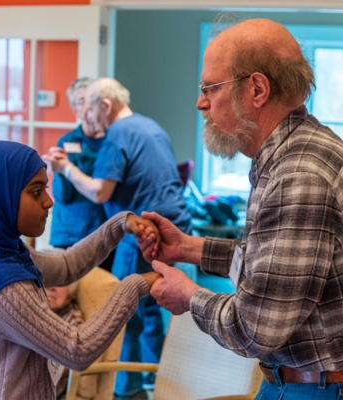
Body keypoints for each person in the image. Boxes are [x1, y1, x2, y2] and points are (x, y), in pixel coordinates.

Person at [138, 18, 343, 400]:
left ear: (257, 89)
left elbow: (256, 328)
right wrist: (187, 248)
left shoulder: (297, 175)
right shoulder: (292, 154)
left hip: (314, 390)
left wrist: (189, 296)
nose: (200, 102)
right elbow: (272, 265)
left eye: (209, 88)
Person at [0, 140, 161, 400]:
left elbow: (67, 266)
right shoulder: (2, 283)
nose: (48, 202)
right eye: (36, 192)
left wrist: (119, 225)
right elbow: (76, 351)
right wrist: (136, 284)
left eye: (45, 189)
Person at [43, 77, 191, 400]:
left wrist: (66, 168)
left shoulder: (117, 134)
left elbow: (99, 192)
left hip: (141, 229)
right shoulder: (151, 126)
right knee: (153, 303)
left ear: (105, 106)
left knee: (125, 308)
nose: (87, 116)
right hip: (173, 223)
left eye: (90, 107)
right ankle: (158, 377)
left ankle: (125, 389)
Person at [50, 77, 114, 271]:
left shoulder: (115, 140)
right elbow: (62, 196)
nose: (87, 108)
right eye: (80, 102)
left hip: (105, 236)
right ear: (75, 110)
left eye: (90, 101)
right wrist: (60, 170)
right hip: (71, 235)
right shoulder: (67, 142)